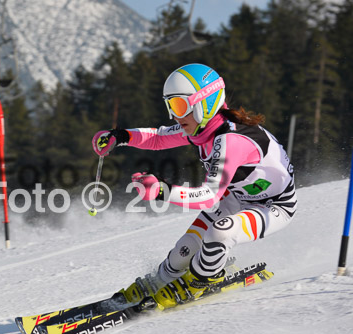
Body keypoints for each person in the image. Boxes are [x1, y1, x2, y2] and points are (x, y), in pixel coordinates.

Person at [92, 63, 296, 309]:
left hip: (273, 206)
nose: (176, 116)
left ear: (205, 102)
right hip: (236, 196)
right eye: (171, 106)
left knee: (220, 232)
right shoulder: (201, 127)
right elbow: (158, 137)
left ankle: (202, 280)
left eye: (179, 105)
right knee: (183, 251)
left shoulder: (230, 140)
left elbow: (209, 196)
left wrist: (161, 190)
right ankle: (160, 281)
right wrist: (120, 136)